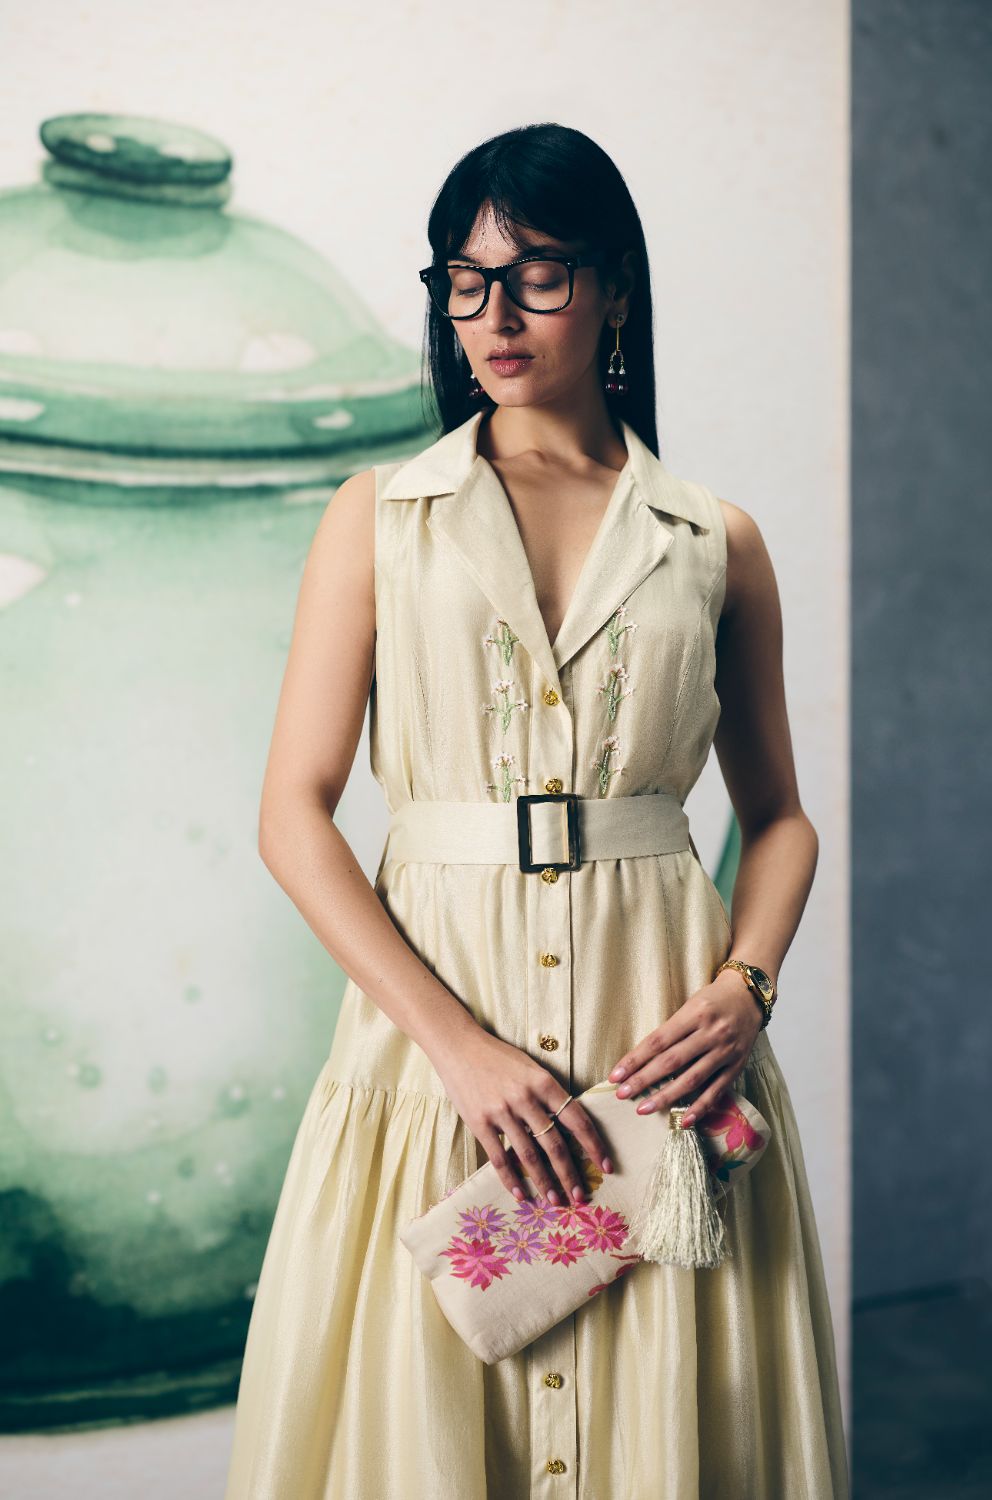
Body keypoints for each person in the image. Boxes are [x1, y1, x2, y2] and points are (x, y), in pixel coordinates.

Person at [223, 123, 850, 1499]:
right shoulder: (377, 517)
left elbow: (782, 818)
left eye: (538, 275)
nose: (494, 316)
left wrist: (747, 986)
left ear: (617, 286)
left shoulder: (716, 540)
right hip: (436, 1046)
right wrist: (458, 1052)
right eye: (465, 281)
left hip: (661, 1050)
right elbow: (293, 814)